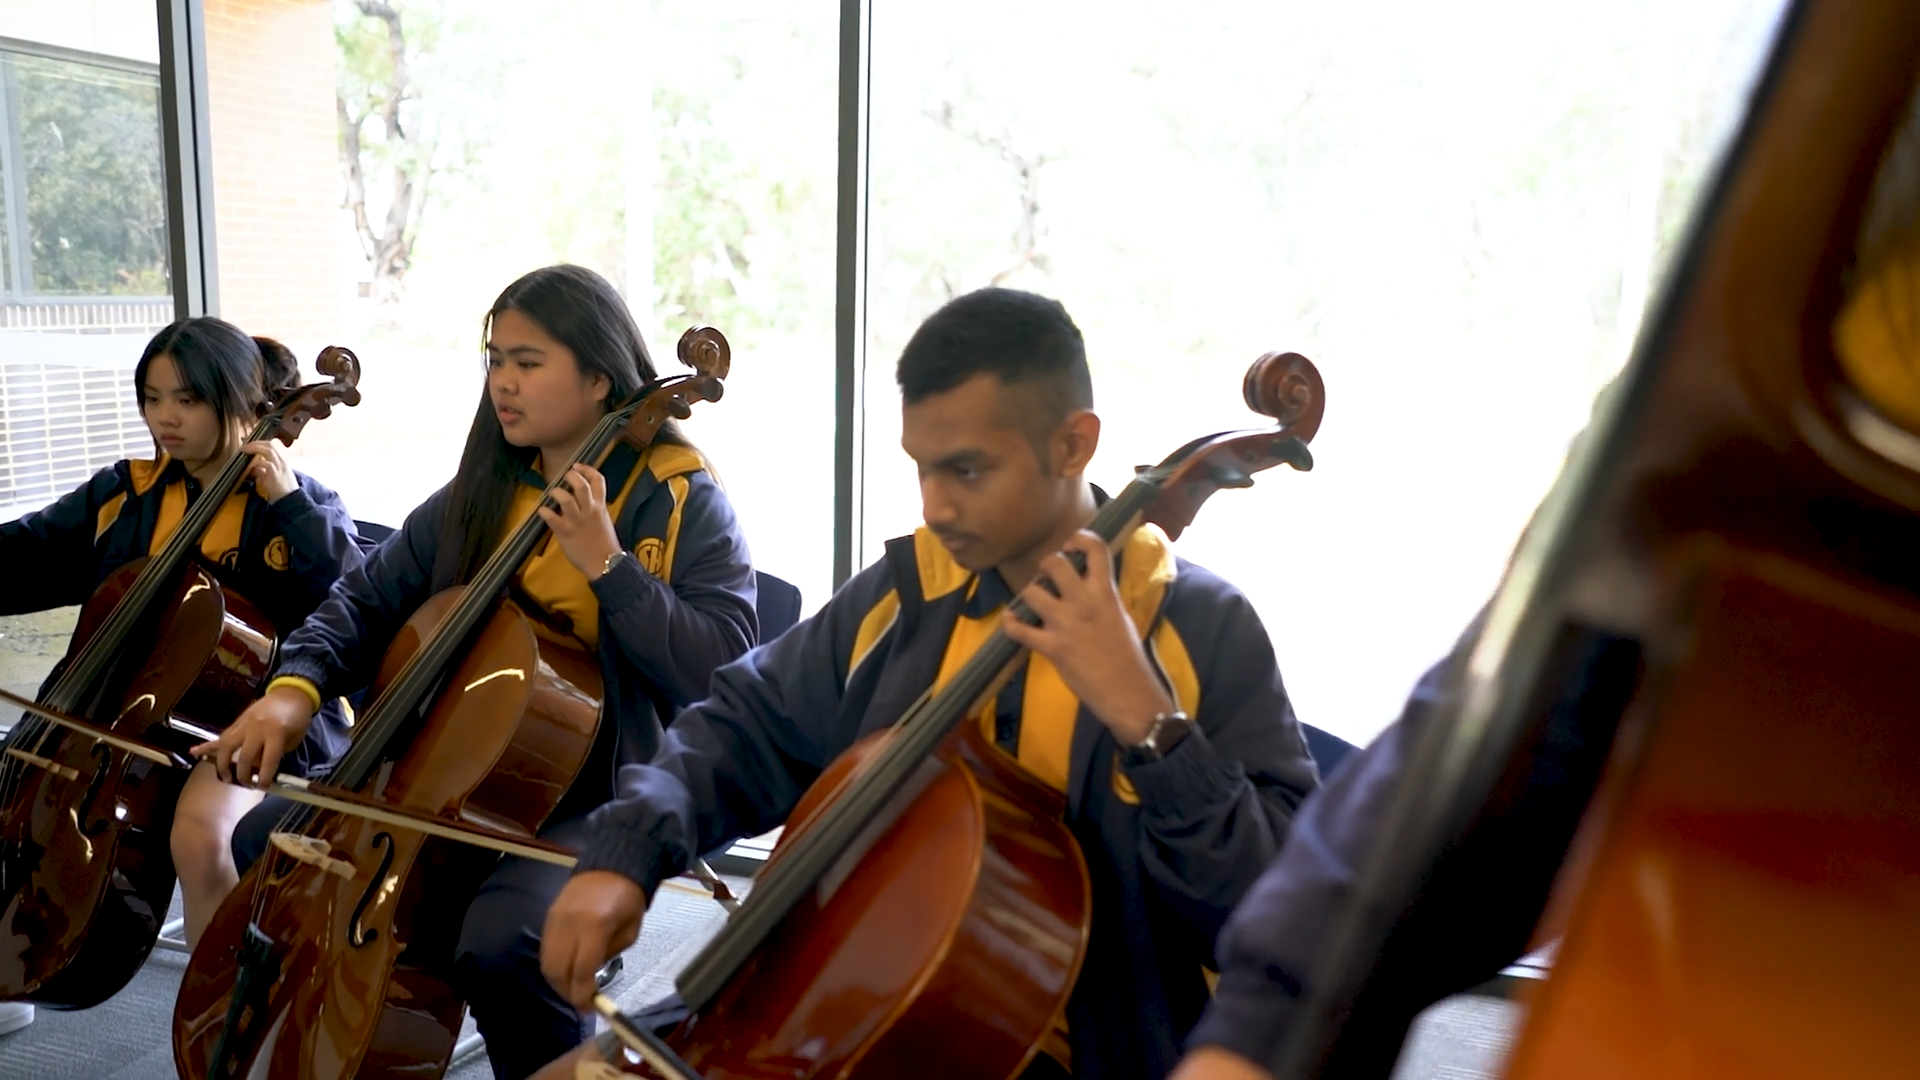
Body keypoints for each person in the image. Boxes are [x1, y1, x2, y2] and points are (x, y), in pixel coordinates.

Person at [538, 287, 1319, 1080]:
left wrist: (1152, 725)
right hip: (833, 1010)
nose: (936, 506)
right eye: (922, 468)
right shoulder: (915, 586)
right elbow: (745, 722)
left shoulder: (1195, 625)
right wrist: (627, 851)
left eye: (967, 470)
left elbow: (1288, 921)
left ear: (1073, 445)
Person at [196, 263, 759, 1080]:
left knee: (503, 941)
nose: (504, 383)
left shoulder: (679, 499)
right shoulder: (487, 485)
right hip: (457, 770)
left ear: (600, 377)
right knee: (269, 840)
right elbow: (365, 598)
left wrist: (611, 568)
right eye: (496, 361)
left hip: (609, 786)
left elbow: (722, 671)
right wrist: (293, 692)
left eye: (528, 362)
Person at [0, 317, 364, 1029]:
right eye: (153, 398)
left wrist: (290, 505)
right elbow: (23, 557)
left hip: (260, 725)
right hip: (117, 721)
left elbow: (355, 607)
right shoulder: (126, 492)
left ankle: (224, 1021)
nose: (165, 417)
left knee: (200, 831)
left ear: (242, 402)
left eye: (188, 400)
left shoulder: (295, 502)